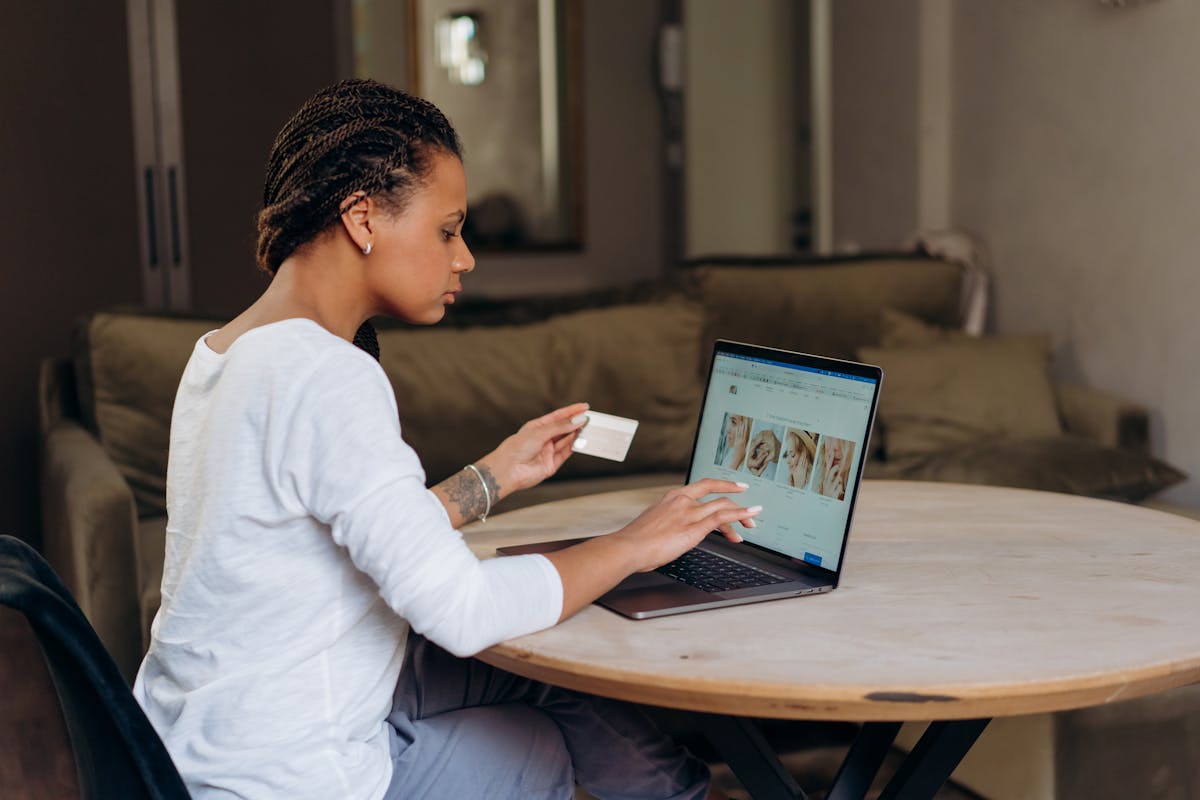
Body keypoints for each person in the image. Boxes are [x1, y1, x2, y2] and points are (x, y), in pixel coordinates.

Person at [131, 78, 760, 800]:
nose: (464, 258)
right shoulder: (325, 374)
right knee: (539, 744)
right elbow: (463, 611)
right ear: (362, 218)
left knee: (530, 671)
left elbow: (324, 543)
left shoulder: (223, 351)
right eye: (446, 230)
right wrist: (637, 543)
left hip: (198, 743)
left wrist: (492, 478)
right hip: (286, 774)